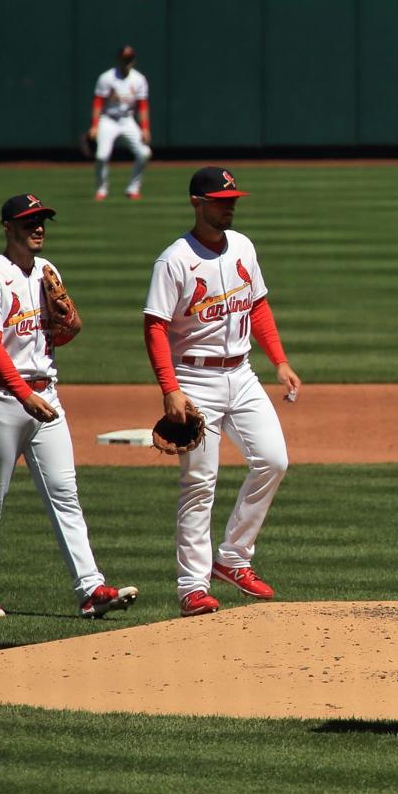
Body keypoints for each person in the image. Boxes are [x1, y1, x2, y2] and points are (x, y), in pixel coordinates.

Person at [143, 167, 301, 618]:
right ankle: (192, 587)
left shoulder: (243, 247)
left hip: (243, 373)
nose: (229, 205)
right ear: (197, 202)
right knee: (199, 483)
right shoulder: (174, 260)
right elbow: (155, 326)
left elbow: (258, 305)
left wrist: (280, 360)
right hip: (193, 381)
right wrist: (169, 389)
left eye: (232, 198)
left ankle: (232, 557)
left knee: (273, 460)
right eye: (220, 199)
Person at [0, 194, 138, 619]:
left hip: (46, 395)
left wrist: (71, 325)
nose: (38, 228)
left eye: (42, 221)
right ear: (8, 228)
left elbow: (53, 336)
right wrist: (23, 393)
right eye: (29, 222)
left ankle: (91, 590)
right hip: (3, 398)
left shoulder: (47, 270)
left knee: (65, 495)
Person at [88, 45, 152, 201]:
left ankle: (133, 189)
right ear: (119, 59)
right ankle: (101, 189)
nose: (127, 62)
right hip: (108, 119)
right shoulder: (107, 77)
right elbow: (98, 102)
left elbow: (143, 105)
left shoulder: (139, 79)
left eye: (129, 59)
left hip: (127, 119)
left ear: (133, 60)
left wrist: (145, 129)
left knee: (144, 153)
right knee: (102, 156)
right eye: (125, 59)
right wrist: (95, 125)